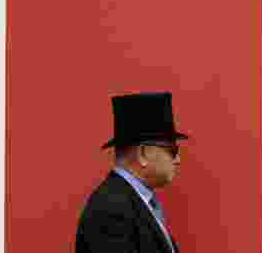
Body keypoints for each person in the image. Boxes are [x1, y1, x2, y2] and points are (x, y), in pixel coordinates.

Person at [75, 92, 189, 253]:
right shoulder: (111, 210)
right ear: (143, 154)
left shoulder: (130, 202)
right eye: (172, 150)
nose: (178, 160)